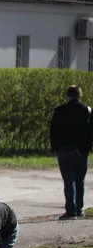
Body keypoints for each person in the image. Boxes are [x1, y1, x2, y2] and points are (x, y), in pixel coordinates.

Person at [49, 85, 92, 219]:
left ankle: (70, 210)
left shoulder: (59, 111)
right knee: (80, 181)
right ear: (80, 95)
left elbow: (53, 131)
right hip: (81, 151)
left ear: (68, 95)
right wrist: (87, 148)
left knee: (68, 181)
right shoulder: (87, 111)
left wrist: (55, 147)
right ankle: (79, 209)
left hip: (64, 150)